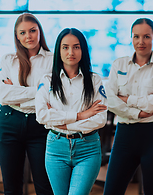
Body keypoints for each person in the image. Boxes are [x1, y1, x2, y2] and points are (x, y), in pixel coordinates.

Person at [103, 18, 153, 195]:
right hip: (124, 137)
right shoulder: (119, 64)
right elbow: (110, 99)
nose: (141, 42)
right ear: (131, 38)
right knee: (111, 192)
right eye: (136, 36)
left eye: (147, 37)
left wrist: (127, 99)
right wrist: (136, 113)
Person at [35, 28, 108, 195]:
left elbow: (100, 119)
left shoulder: (95, 80)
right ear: (58, 51)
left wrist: (64, 124)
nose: (71, 52)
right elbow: (42, 115)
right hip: (56, 148)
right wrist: (81, 115)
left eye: (76, 47)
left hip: (87, 148)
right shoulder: (47, 81)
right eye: (65, 47)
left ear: (83, 49)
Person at [0, 13, 54, 195]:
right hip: (8, 122)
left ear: (39, 32)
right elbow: (3, 95)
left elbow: (53, 94)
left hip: (40, 125)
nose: (28, 36)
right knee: (11, 187)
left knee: (44, 185)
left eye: (32, 31)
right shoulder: (8, 59)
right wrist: (38, 91)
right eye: (23, 33)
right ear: (17, 36)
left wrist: (17, 93)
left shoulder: (53, 60)